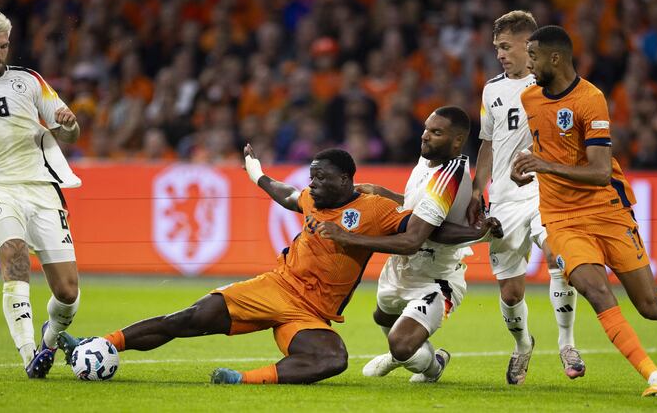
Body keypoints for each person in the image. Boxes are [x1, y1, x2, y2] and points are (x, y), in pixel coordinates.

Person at [59, 146, 415, 385]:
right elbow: (286, 194)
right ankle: (100, 344)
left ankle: (242, 379)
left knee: (334, 359)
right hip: (277, 286)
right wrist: (256, 174)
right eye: (311, 176)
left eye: (321, 178)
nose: (312, 184)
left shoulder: (374, 209)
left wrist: (472, 232)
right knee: (189, 318)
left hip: (310, 314)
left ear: (344, 180)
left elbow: (423, 229)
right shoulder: (311, 197)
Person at [512, 25, 657, 397]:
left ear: (556, 58)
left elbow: (601, 171)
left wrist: (544, 166)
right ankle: (655, 376)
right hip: (561, 217)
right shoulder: (529, 98)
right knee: (595, 290)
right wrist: (522, 167)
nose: (529, 64)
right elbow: (541, 146)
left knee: (649, 305)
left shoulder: (591, 99)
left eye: (534, 56)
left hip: (606, 210)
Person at [318, 106, 503, 383]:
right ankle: (417, 358)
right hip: (401, 269)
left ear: (457, 141)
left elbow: (413, 240)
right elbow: (417, 208)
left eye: (436, 132)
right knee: (381, 316)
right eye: (427, 129)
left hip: (435, 277)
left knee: (402, 345)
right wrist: (385, 194)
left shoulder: (448, 177)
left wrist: (348, 238)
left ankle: (431, 364)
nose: (425, 136)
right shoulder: (427, 159)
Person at [0, 10, 82, 378]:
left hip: (42, 189)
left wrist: (69, 125)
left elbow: (68, 132)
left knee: (68, 292)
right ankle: (29, 356)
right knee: (15, 258)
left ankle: (49, 340)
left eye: (3, 46)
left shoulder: (30, 81)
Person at [469, 10, 583, 385]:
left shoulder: (550, 86)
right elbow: (487, 142)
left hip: (541, 191)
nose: (500, 54)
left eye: (505, 47)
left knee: (558, 255)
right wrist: (475, 188)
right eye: (496, 48)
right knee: (511, 290)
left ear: (528, 44)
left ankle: (567, 342)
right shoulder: (492, 90)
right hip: (502, 199)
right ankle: (522, 345)